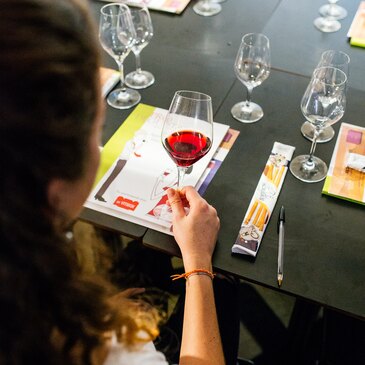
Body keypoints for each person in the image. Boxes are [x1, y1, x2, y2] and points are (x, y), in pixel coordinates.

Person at [0, 0, 226, 364]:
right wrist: (198, 263)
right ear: (56, 180)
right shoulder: (99, 348)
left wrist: (96, 307)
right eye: (96, 128)